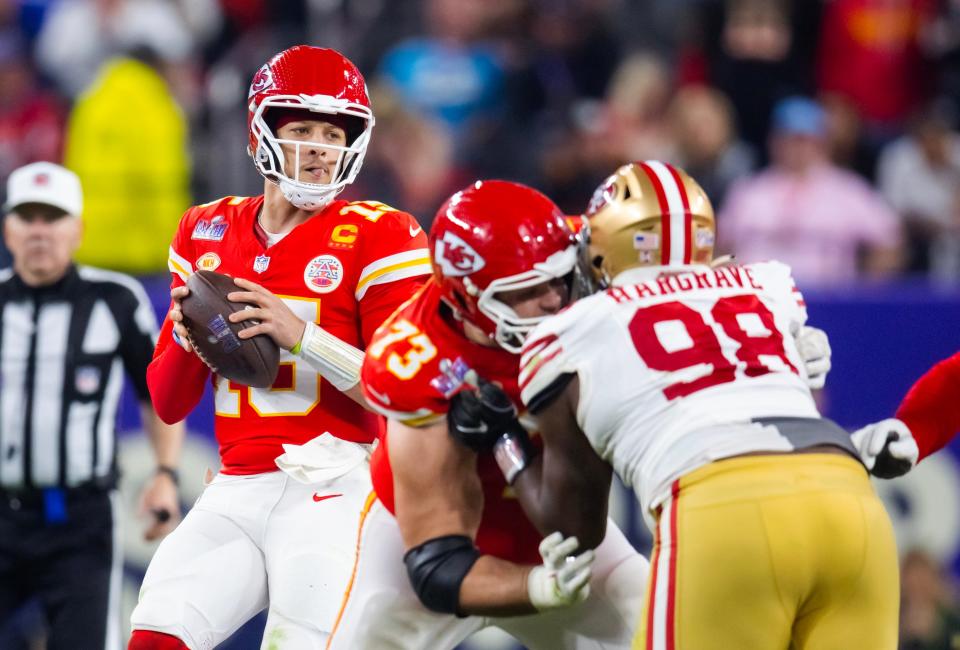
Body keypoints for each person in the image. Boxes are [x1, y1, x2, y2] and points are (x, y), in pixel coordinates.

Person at [459, 161, 902, 648]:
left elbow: (574, 530)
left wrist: (504, 440)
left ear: (602, 250)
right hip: (851, 502)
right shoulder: (765, 285)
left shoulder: (571, 333)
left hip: (727, 508)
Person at [127, 46, 431, 650]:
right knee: (155, 637)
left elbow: (410, 394)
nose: (319, 146)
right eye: (302, 129)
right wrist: (193, 340)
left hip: (338, 486)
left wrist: (304, 338)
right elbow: (166, 401)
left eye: (331, 131)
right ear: (262, 132)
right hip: (236, 485)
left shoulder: (381, 234)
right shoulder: (205, 229)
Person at [333, 180, 648, 650]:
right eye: (527, 291)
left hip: (564, 536)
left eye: (559, 279)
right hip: (423, 546)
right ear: (465, 299)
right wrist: (540, 588)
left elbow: (685, 276)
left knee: (669, 627)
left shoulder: (587, 251)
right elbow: (439, 565)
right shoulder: (416, 363)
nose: (555, 301)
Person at [0, 161, 183, 649]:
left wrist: (165, 473)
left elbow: (158, 394)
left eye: (52, 217)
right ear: (8, 229)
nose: (40, 231)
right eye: (28, 217)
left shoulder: (114, 300)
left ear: (78, 229)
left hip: (79, 520)